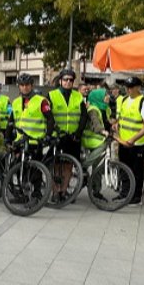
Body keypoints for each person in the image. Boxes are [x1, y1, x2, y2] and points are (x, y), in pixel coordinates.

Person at [47, 68, 87, 202]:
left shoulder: (78, 96)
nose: (68, 82)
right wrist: (53, 130)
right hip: (57, 135)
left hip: (73, 136)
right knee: (55, 165)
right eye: (65, 80)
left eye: (71, 80)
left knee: (68, 165)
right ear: (60, 81)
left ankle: (63, 191)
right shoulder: (51, 95)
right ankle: (55, 192)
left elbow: (83, 116)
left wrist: (78, 132)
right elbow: (48, 115)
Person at [115, 76, 144, 205]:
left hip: (138, 143)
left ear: (138, 87)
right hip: (124, 141)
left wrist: (133, 138)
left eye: (131, 87)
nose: (129, 90)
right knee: (124, 168)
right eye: (127, 87)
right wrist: (116, 125)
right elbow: (122, 118)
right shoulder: (124, 100)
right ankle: (125, 193)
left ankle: (136, 197)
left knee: (136, 170)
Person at [8, 73, 55, 155]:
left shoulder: (41, 101)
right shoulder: (16, 102)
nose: (24, 87)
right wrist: (7, 137)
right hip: (20, 141)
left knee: (35, 167)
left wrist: (48, 135)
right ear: (19, 87)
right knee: (17, 166)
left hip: (36, 141)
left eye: (27, 85)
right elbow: (11, 120)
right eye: (22, 85)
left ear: (32, 86)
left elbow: (50, 119)